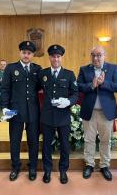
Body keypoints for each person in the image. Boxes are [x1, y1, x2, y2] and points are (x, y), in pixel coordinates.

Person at [77, 46, 117, 181]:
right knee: (89, 140)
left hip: (106, 112)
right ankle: (89, 164)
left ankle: (104, 165)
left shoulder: (113, 68)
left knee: (105, 140)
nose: (96, 58)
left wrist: (103, 83)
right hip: (89, 112)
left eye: (99, 55)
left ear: (104, 55)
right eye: (93, 55)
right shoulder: (84, 69)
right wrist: (92, 85)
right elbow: (78, 86)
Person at [0, 41, 42, 181]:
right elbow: (5, 89)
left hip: (33, 111)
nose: (26, 55)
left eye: (29, 53)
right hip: (15, 111)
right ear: (20, 53)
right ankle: (15, 167)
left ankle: (32, 167)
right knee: (15, 141)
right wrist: (4, 108)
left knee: (33, 141)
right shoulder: (11, 68)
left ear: (33, 55)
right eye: (24, 52)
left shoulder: (37, 69)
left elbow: (41, 89)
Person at [39, 44, 78, 184]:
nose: (56, 59)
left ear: (61, 58)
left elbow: (75, 93)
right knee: (46, 145)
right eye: (53, 56)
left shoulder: (69, 74)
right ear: (49, 57)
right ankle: (47, 170)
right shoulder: (43, 74)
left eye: (58, 56)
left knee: (64, 145)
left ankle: (63, 171)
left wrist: (68, 102)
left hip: (63, 116)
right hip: (47, 115)